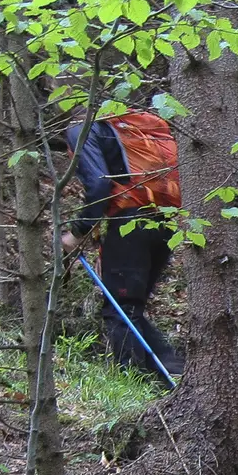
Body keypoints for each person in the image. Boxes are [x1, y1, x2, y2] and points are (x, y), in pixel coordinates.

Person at [59, 111, 185, 377]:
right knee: (129, 307)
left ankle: (133, 379)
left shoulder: (82, 130)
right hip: (167, 221)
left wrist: (77, 232)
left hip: (131, 221)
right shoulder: (130, 129)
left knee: (120, 308)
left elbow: (99, 187)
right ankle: (169, 370)